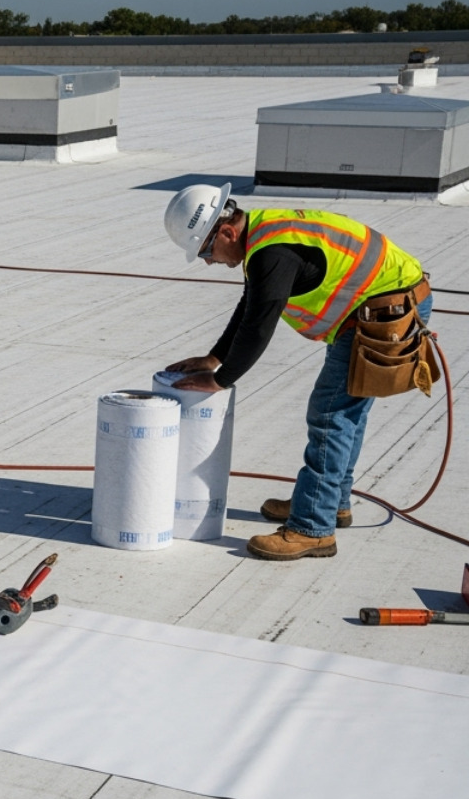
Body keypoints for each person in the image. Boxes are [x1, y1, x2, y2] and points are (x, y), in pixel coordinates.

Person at [161, 183, 433, 560]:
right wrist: (214, 358)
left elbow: (259, 325)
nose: (208, 260)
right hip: (380, 303)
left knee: (329, 415)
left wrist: (220, 379)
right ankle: (329, 501)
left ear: (226, 231)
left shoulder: (271, 252)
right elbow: (252, 303)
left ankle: (312, 528)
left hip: (385, 311)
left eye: (206, 250)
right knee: (346, 413)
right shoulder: (262, 236)